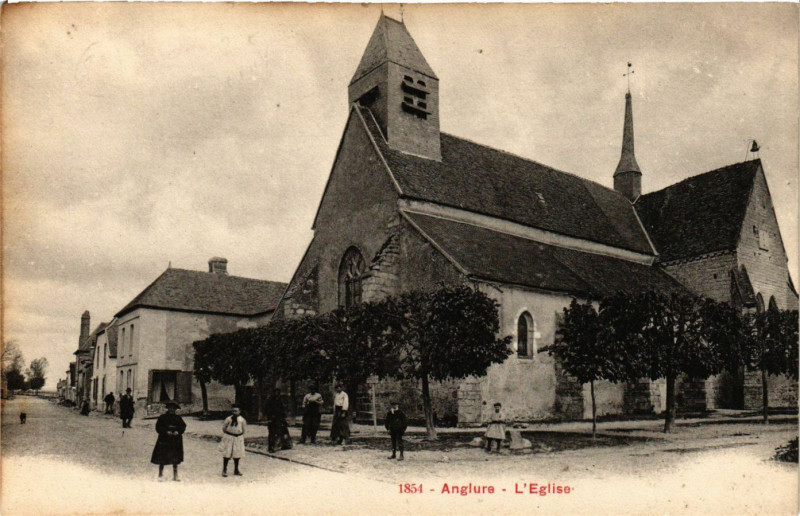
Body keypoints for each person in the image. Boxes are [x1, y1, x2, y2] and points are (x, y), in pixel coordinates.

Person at [150, 401, 186, 481]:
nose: (172, 410)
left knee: (175, 458)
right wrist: (166, 432)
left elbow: (183, 426)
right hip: (164, 440)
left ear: (176, 410)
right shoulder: (162, 417)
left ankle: (175, 475)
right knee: (162, 457)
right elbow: (158, 427)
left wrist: (178, 431)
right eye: (170, 408)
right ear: (168, 408)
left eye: (174, 408)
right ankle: (160, 475)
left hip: (175, 440)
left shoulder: (178, 418)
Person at [219, 404, 246, 477]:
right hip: (229, 437)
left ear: (239, 411)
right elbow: (224, 428)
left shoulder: (242, 420)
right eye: (233, 411)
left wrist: (238, 434)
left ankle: (236, 470)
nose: (234, 412)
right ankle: (224, 470)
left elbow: (243, 430)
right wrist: (229, 434)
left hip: (238, 438)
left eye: (236, 411)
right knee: (227, 453)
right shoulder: (228, 419)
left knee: (237, 454)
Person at [265, 388, 287, 453]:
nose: (277, 394)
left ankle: (283, 445)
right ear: (273, 393)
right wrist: (269, 418)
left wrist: (283, 417)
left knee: (281, 431)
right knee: (272, 433)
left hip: (279, 419)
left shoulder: (279, 400)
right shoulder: (269, 400)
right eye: (276, 392)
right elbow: (267, 410)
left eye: (278, 393)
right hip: (272, 419)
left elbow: (282, 409)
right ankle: (271, 447)